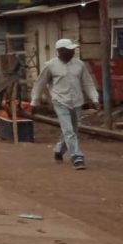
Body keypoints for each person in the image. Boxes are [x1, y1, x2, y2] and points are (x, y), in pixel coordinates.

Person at [33, 38, 100, 171]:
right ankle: (77, 157)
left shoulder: (79, 65)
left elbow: (87, 83)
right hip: (60, 101)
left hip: (76, 101)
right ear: (60, 51)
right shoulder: (50, 65)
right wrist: (34, 101)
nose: (72, 52)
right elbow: (39, 84)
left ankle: (59, 149)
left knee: (73, 130)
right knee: (68, 130)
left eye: (73, 49)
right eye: (69, 50)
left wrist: (95, 98)